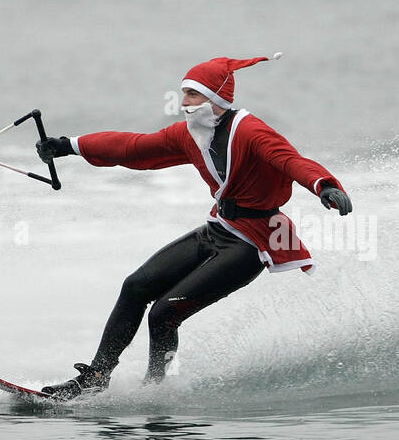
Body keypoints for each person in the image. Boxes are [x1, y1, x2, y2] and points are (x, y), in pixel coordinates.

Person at [35, 54, 353, 398]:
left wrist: (324, 185)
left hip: (250, 244)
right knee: (136, 286)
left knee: (164, 313)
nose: (183, 102)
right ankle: (96, 376)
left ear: (216, 98)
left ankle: (157, 390)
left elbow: (290, 160)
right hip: (219, 228)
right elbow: (133, 148)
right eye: (183, 93)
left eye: (192, 94)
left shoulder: (250, 131)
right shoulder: (192, 134)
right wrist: (68, 146)